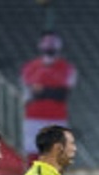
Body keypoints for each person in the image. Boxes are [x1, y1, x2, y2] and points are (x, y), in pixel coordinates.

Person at [21, 31, 78, 162]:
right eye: (46, 42)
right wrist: (50, 91)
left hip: (56, 116)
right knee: (33, 151)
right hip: (34, 116)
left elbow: (62, 94)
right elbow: (30, 92)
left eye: (52, 42)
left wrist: (42, 91)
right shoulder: (30, 67)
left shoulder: (67, 68)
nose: (49, 45)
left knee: (56, 152)